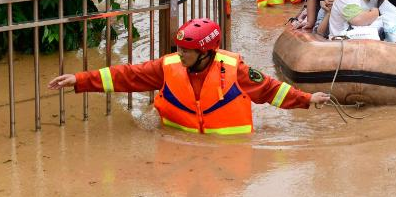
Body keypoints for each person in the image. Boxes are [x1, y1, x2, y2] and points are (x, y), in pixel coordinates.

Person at [48, 18, 331, 135]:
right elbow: (127, 76)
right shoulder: (168, 66)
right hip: (175, 140)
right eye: (180, 49)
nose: (181, 55)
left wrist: (308, 99)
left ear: (206, 52)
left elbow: (271, 90)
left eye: (187, 51)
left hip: (230, 151)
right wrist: (80, 80)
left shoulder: (235, 70)